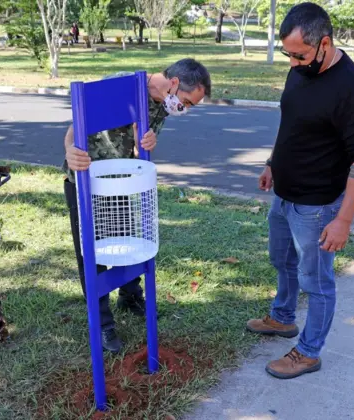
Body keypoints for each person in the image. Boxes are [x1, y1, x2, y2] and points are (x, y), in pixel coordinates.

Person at [247, 3, 354, 379]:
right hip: (284, 194)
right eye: (288, 54)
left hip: (318, 206)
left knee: (316, 282)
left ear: (325, 43)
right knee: (281, 260)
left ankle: (308, 352)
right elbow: (291, 122)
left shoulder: (351, 87)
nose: (292, 63)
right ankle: (283, 317)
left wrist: (343, 220)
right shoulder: (302, 67)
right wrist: (273, 162)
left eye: (299, 55)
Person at [63, 59, 211, 354]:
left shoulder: (163, 103)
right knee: (91, 253)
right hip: (88, 180)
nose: (185, 109)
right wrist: (70, 151)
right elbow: (75, 125)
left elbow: (136, 147)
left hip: (121, 183)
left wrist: (145, 143)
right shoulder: (121, 86)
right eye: (187, 102)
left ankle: (130, 296)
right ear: (174, 83)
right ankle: (103, 323)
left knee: (128, 239)